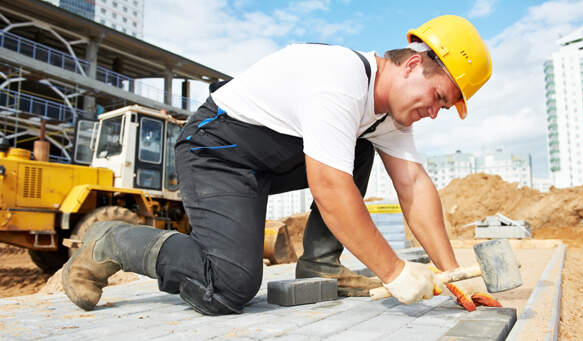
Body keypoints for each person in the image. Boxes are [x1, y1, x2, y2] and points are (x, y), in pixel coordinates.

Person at [63, 15, 501, 315]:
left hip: (265, 162)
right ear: (412, 65)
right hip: (215, 152)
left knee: (361, 146)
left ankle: (321, 264)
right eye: (440, 98)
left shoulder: (387, 117)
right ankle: (112, 240)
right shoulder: (341, 79)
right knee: (229, 287)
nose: (436, 112)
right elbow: (329, 186)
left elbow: (414, 186)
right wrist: (394, 271)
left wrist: (454, 276)